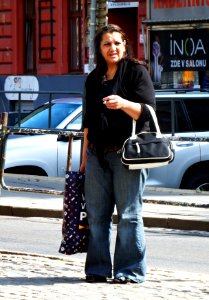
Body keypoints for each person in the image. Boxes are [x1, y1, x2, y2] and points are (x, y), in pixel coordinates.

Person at [80, 24, 156, 284]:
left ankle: (130, 271)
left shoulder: (136, 72)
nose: (112, 48)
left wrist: (123, 103)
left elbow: (147, 112)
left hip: (128, 156)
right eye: (106, 44)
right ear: (99, 50)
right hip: (96, 155)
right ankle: (98, 270)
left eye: (117, 43)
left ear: (125, 45)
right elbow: (88, 122)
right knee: (97, 216)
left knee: (129, 215)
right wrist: (83, 159)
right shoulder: (94, 78)